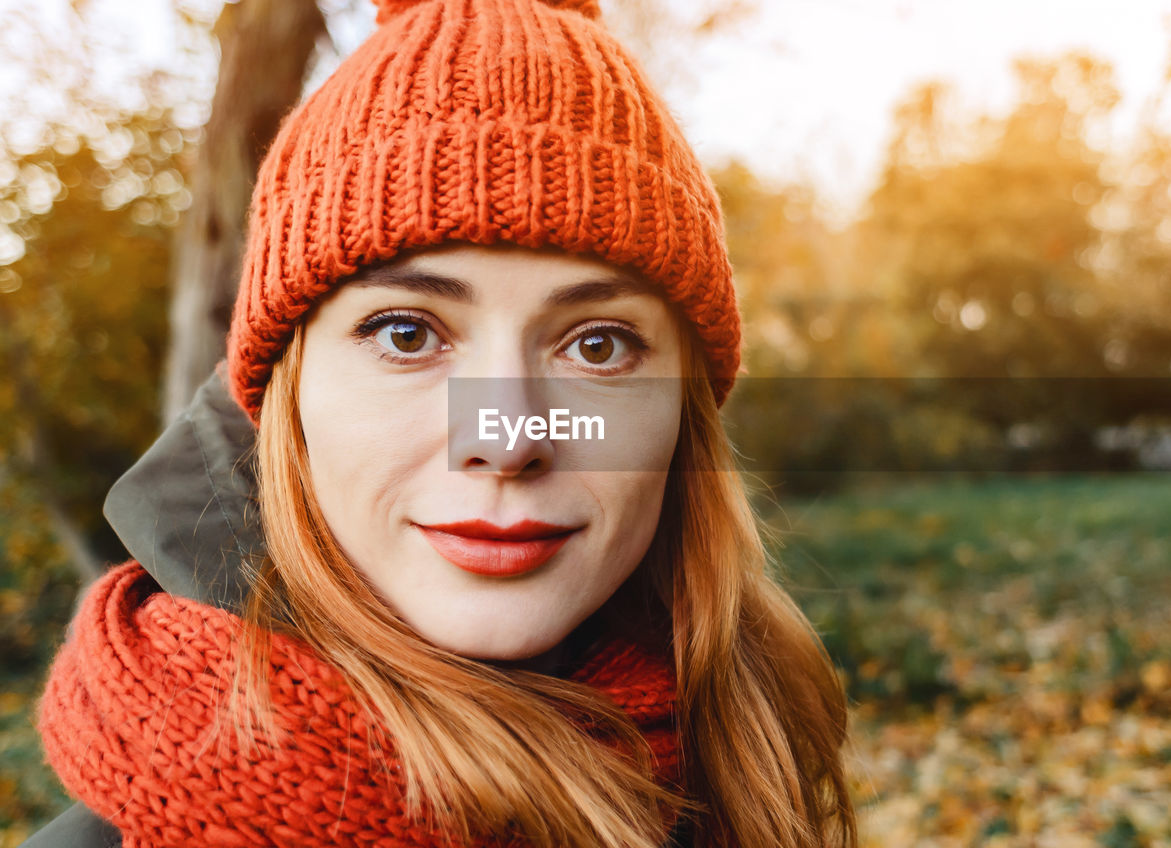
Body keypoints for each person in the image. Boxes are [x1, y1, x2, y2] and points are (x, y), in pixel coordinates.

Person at [26, 0, 858, 845]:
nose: (505, 438)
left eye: (598, 345)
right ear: (290, 394)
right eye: (407, 333)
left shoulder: (749, 776)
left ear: (684, 416)